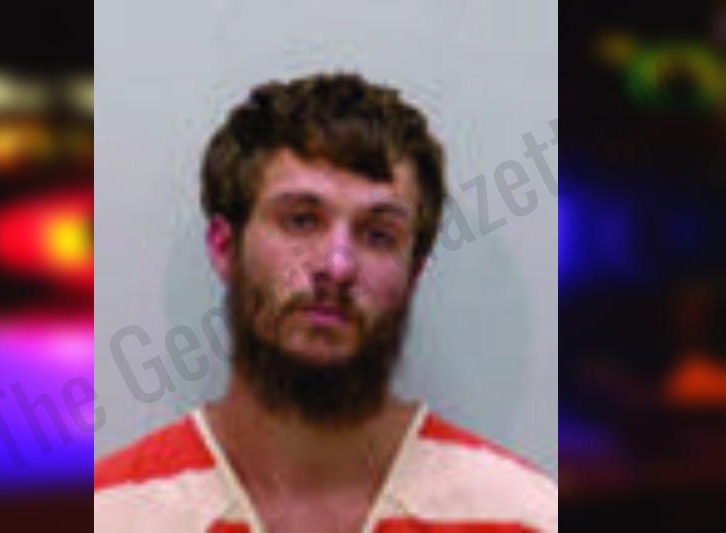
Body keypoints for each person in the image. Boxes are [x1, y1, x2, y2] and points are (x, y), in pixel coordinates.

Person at [95, 72, 557, 532]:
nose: (337, 267)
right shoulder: (112, 513)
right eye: (300, 220)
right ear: (223, 246)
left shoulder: (526, 516)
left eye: (379, 235)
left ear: (414, 272)